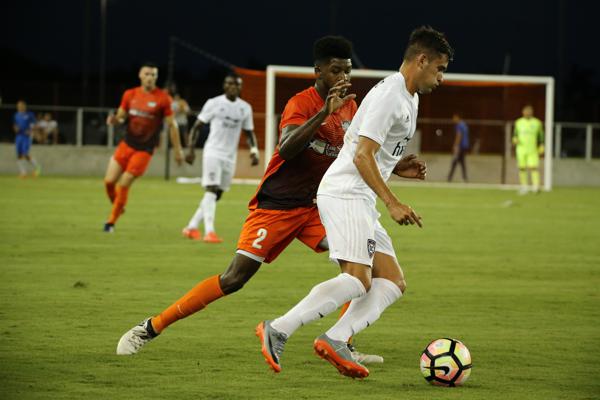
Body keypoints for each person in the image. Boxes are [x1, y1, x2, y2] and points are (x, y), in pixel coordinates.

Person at [116, 36, 383, 364]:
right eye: (335, 71)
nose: (342, 78)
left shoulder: (350, 108)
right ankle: (151, 327)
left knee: (358, 265)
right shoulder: (302, 104)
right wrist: (322, 114)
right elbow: (286, 148)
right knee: (234, 279)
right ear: (318, 71)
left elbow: (357, 152)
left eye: (347, 71)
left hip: (316, 207)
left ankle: (344, 340)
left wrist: (397, 166)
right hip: (276, 206)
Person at [257, 26, 452, 379]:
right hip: (346, 192)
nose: (441, 77)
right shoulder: (390, 95)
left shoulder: (410, 97)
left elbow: (367, 152)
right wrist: (392, 202)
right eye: (439, 68)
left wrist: (398, 167)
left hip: (358, 194)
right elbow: (361, 156)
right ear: (421, 60)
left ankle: (336, 337)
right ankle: (278, 328)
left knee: (391, 282)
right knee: (356, 280)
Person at [103, 62, 184, 232]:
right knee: (109, 182)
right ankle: (119, 205)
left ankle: (110, 222)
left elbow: (172, 125)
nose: (150, 78)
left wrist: (178, 150)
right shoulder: (130, 94)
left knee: (124, 183)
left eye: (153, 75)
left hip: (144, 150)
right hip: (126, 144)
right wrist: (114, 120)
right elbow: (121, 117)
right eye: (147, 74)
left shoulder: (162, 98)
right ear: (140, 75)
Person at [181, 73, 259, 243]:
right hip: (213, 152)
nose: (233, 87)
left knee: (217, 194)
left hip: (230, 157)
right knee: (211, 189)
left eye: (236, 84)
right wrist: (191, 149)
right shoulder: (214, 103)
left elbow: (249, 132)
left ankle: (191, 227)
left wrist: (254, 150)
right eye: (230, 84)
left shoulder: (244, 108)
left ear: (240, 87)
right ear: (224, 86)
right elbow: (196, 126)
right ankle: (209, 232)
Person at [513, 104, 544, 194]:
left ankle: (536, 187)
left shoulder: (537, 123)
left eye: (529, 111)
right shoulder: (518, 122)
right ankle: (524, 187)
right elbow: (515, 134)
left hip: (532, 149)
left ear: (532, 112)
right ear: (523, 112)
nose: (527, 113)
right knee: (522, 168)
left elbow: (541, 135)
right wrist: (514, 139)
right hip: (521, 149)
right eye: (526, 111)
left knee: (533, 167)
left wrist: (542, 145)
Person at [13, 100, 41, 178]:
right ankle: (23, 172)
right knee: (19, 155)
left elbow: (35, 124)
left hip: (26, 137)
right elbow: (15, 125)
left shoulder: (29, 114)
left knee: (25, 154)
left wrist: (33, 132)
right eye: (18, 106)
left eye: (21, 105)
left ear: (24, 106)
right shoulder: (16, 115)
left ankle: (37, 167)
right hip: (19, 136)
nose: (19, 107)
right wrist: (16, 128)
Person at [447, 113, 469, 182]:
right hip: (464, 146)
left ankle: (450, 178)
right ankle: (465, 178)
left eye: (454, 118)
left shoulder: (459, 125)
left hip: (460, 146)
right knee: (461, 162)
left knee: (455, 161)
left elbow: (459, 136)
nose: (453, 119)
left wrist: (455, 145)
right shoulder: (464, 124)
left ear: (457, 117)